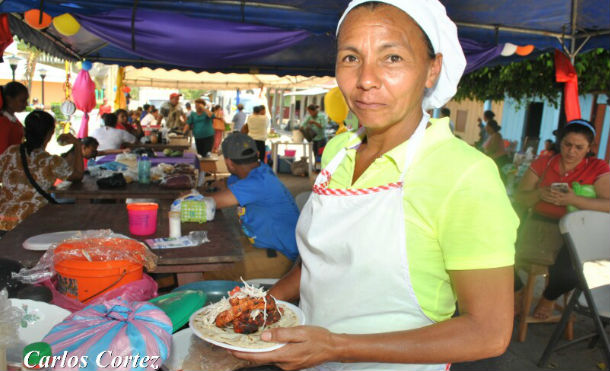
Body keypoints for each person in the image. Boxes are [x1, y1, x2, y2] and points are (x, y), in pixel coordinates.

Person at [233, 1, 518, 370]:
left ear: (432, 69)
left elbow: (488, 332)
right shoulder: (337, 151)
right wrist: (264, 303)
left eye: (393, 58)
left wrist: (337, 347)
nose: (366, 79)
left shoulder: (463, 174)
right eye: (351, 58)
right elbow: (326, 262)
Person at [514, 119, 609, 320]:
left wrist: (575, 199)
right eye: (567, 144)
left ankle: (548, 298)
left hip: (577, 230)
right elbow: (521, 197)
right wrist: (539, 194)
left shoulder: (597, 167)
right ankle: (518, 291)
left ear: (589, 148)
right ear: (560, 142)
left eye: (579, 147)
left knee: (571, 272)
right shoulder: (543, 163)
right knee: (498, 255)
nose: (571, 151)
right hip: (539, 224)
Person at [205, 132, 299, 261]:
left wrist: (188, 196)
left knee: (212, 266)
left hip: (281, 256)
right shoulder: (261, 171)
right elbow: (228, 183)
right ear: (258, 155)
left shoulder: (256, 183)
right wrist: (219, 184)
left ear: (229, 163)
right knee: (217, 248)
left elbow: (209, 203)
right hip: (269, 246)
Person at [0, 111, 84, 233]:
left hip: (4, 221)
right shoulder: (51, 161)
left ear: (24, 131)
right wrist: (77, 144)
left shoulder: (10, 152)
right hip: (33, 222)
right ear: (50, 134)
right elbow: (78, 174)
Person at [0, 81, 29, 155]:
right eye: (22, 101)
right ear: (9, 100)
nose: (26, 104)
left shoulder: (11, 120)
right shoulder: (3, 122)